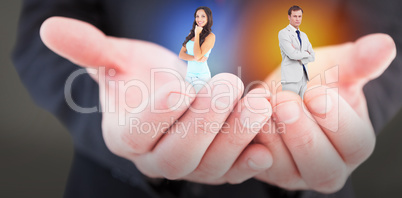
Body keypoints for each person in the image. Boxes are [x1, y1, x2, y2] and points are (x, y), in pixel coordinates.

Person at [11, 1, 400, 198]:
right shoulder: (198, 41)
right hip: (116, 182)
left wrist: (342, 103)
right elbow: (42, 45)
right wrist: (117, 108)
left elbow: (388, 37)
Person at [279, 5, 315, 100]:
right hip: (290, 79)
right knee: (289, 106)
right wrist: (306, 53)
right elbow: (292, 55)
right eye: (295, 16)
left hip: (303, 77)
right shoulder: (283, 33)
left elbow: (313, 56)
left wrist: (299, 54)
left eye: (300, 16)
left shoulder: (304, 35)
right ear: (289, 17)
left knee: (302, 109)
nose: (297, 19)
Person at [179, 6, 215, 93]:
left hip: (201, 77)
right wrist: (195, 59)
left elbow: (198, 55)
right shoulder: (191, 34)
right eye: (197, 16)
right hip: (189, 75)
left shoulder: (210, 36)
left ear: (208, 18)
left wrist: (197, 34)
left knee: (198, 105)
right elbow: (181, 54)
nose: (199, 19)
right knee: (187, 103)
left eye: (203, 16)